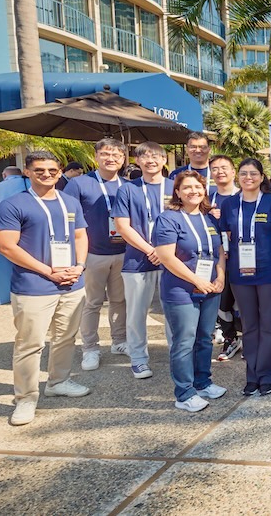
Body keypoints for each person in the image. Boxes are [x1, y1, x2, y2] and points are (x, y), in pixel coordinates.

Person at [0, 151, 91, 426]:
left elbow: (80, 235)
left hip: (71, 282)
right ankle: (25, 398)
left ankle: (59, 381)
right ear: (27, 172)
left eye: (52, 170)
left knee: (66, 337)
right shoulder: (13, 205)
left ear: (59, 172)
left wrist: (80, 265)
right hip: (34, 286)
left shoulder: (69, 202)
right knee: (30, 344)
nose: (47, 174)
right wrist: (48, 271)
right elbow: (6, 246)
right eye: (39, 170)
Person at [153, 171, 227, 412]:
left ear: (204, 190)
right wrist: (196, 280)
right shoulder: (168, 218)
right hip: (181, 290)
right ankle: (184, 393)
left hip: (210, 288)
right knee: (184, 341)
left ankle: (203, 382)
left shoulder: (209, 218)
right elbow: (166, 256)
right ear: (177, 192)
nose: (193, 191)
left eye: (197, 186)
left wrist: (221, 277)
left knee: (205, 338)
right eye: (187, 187)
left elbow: (219, 252)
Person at [219, 159, 271, 396]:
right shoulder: (229, 204)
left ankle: (268, 374)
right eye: (244, 173)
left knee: (269, 325)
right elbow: (224, 236)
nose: (249, 177)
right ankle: (252, 374)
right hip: (240, 273)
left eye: (254, 173)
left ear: (262, 177)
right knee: (249, 326)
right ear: (238, 176)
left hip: (269, 272)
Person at [63, 139, 129, 371]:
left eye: (116, 155)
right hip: (92, 254)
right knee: (92, 303)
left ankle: (119, 341)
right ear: (96, 156)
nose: (111, 158)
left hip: (123, 252)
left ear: (123, 159)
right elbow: (67, 218)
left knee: (120, 301)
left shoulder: (128, 185)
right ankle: (90, 348)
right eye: (105, 154)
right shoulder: (78, 184)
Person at [112, 142, 174, 380]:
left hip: (173, 261)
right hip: (138, 260)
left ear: (164, 159)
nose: (151, 160)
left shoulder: (174, 186)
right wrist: (151, 249)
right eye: (145, 156)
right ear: (137, 161)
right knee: (137, 313)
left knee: (173, 311)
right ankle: (138, 358)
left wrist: (165, 253)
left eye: (156, 156)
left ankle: (177, 356)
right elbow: (122, 226)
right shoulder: (128, 189)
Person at [207, 155, 241, 361]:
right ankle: (230, 338)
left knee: (246, 302)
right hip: (216, 260)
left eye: (224, 167)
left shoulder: (244, 195)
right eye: (215, 169)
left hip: (244, 258)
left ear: (233, 172)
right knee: (222, 302)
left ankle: (249, 338)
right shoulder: (205, 199)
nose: (220, 172)